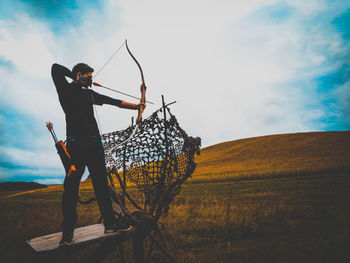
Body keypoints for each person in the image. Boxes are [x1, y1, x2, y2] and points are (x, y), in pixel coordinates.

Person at [51, 63, 145, 245]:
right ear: (79, 74)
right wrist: (74, 78)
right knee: (71, 190)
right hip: (76, 146)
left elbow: (112, 101)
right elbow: (55, 68)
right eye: (88, 76)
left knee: (101, 187)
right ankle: (67, 233)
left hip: (95, 146)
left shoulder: (89, 94)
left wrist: (136, 106)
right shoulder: (65, 90)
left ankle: (110, 223)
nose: (91, 80)